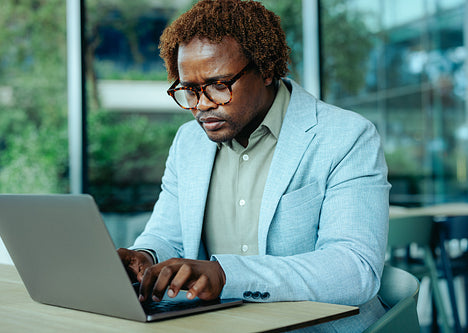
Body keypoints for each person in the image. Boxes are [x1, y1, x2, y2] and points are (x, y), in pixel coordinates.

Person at [117, 0, 390, 331]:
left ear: (266, 69)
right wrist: (147, 257)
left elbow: (354, 269)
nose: (202, 105)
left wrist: (225, 274)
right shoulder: (188, 142)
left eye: (219, 85)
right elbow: (168, 236)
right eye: (189, 90)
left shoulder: (345, 136)